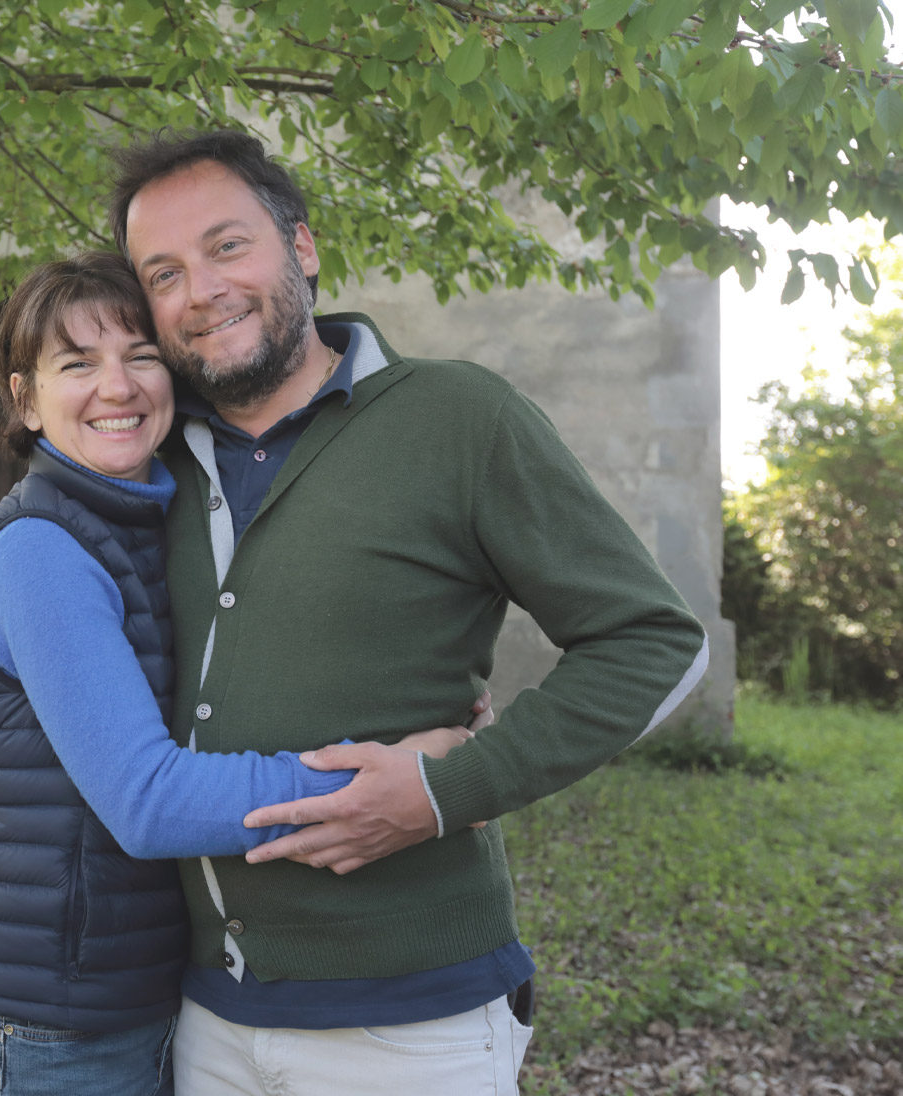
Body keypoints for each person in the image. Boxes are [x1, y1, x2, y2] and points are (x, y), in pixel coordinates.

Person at [109, 130, 712, 1096]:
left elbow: (654, 644)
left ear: (300, 248)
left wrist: (450, 789)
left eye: (229, 247)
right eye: (164, 273)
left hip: (411, 1026)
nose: (201, 290)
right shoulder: (145, 459)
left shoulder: (458, 417)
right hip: (202, 1020)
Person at [0, 250, 489, 1096]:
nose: (116, 387)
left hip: (137, 990)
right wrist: (387, 778)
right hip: (46, 1020)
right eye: (76, 365)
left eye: (140, 356)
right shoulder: (42, 550)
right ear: (25, 399)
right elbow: (148, 803)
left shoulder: (149, 520)